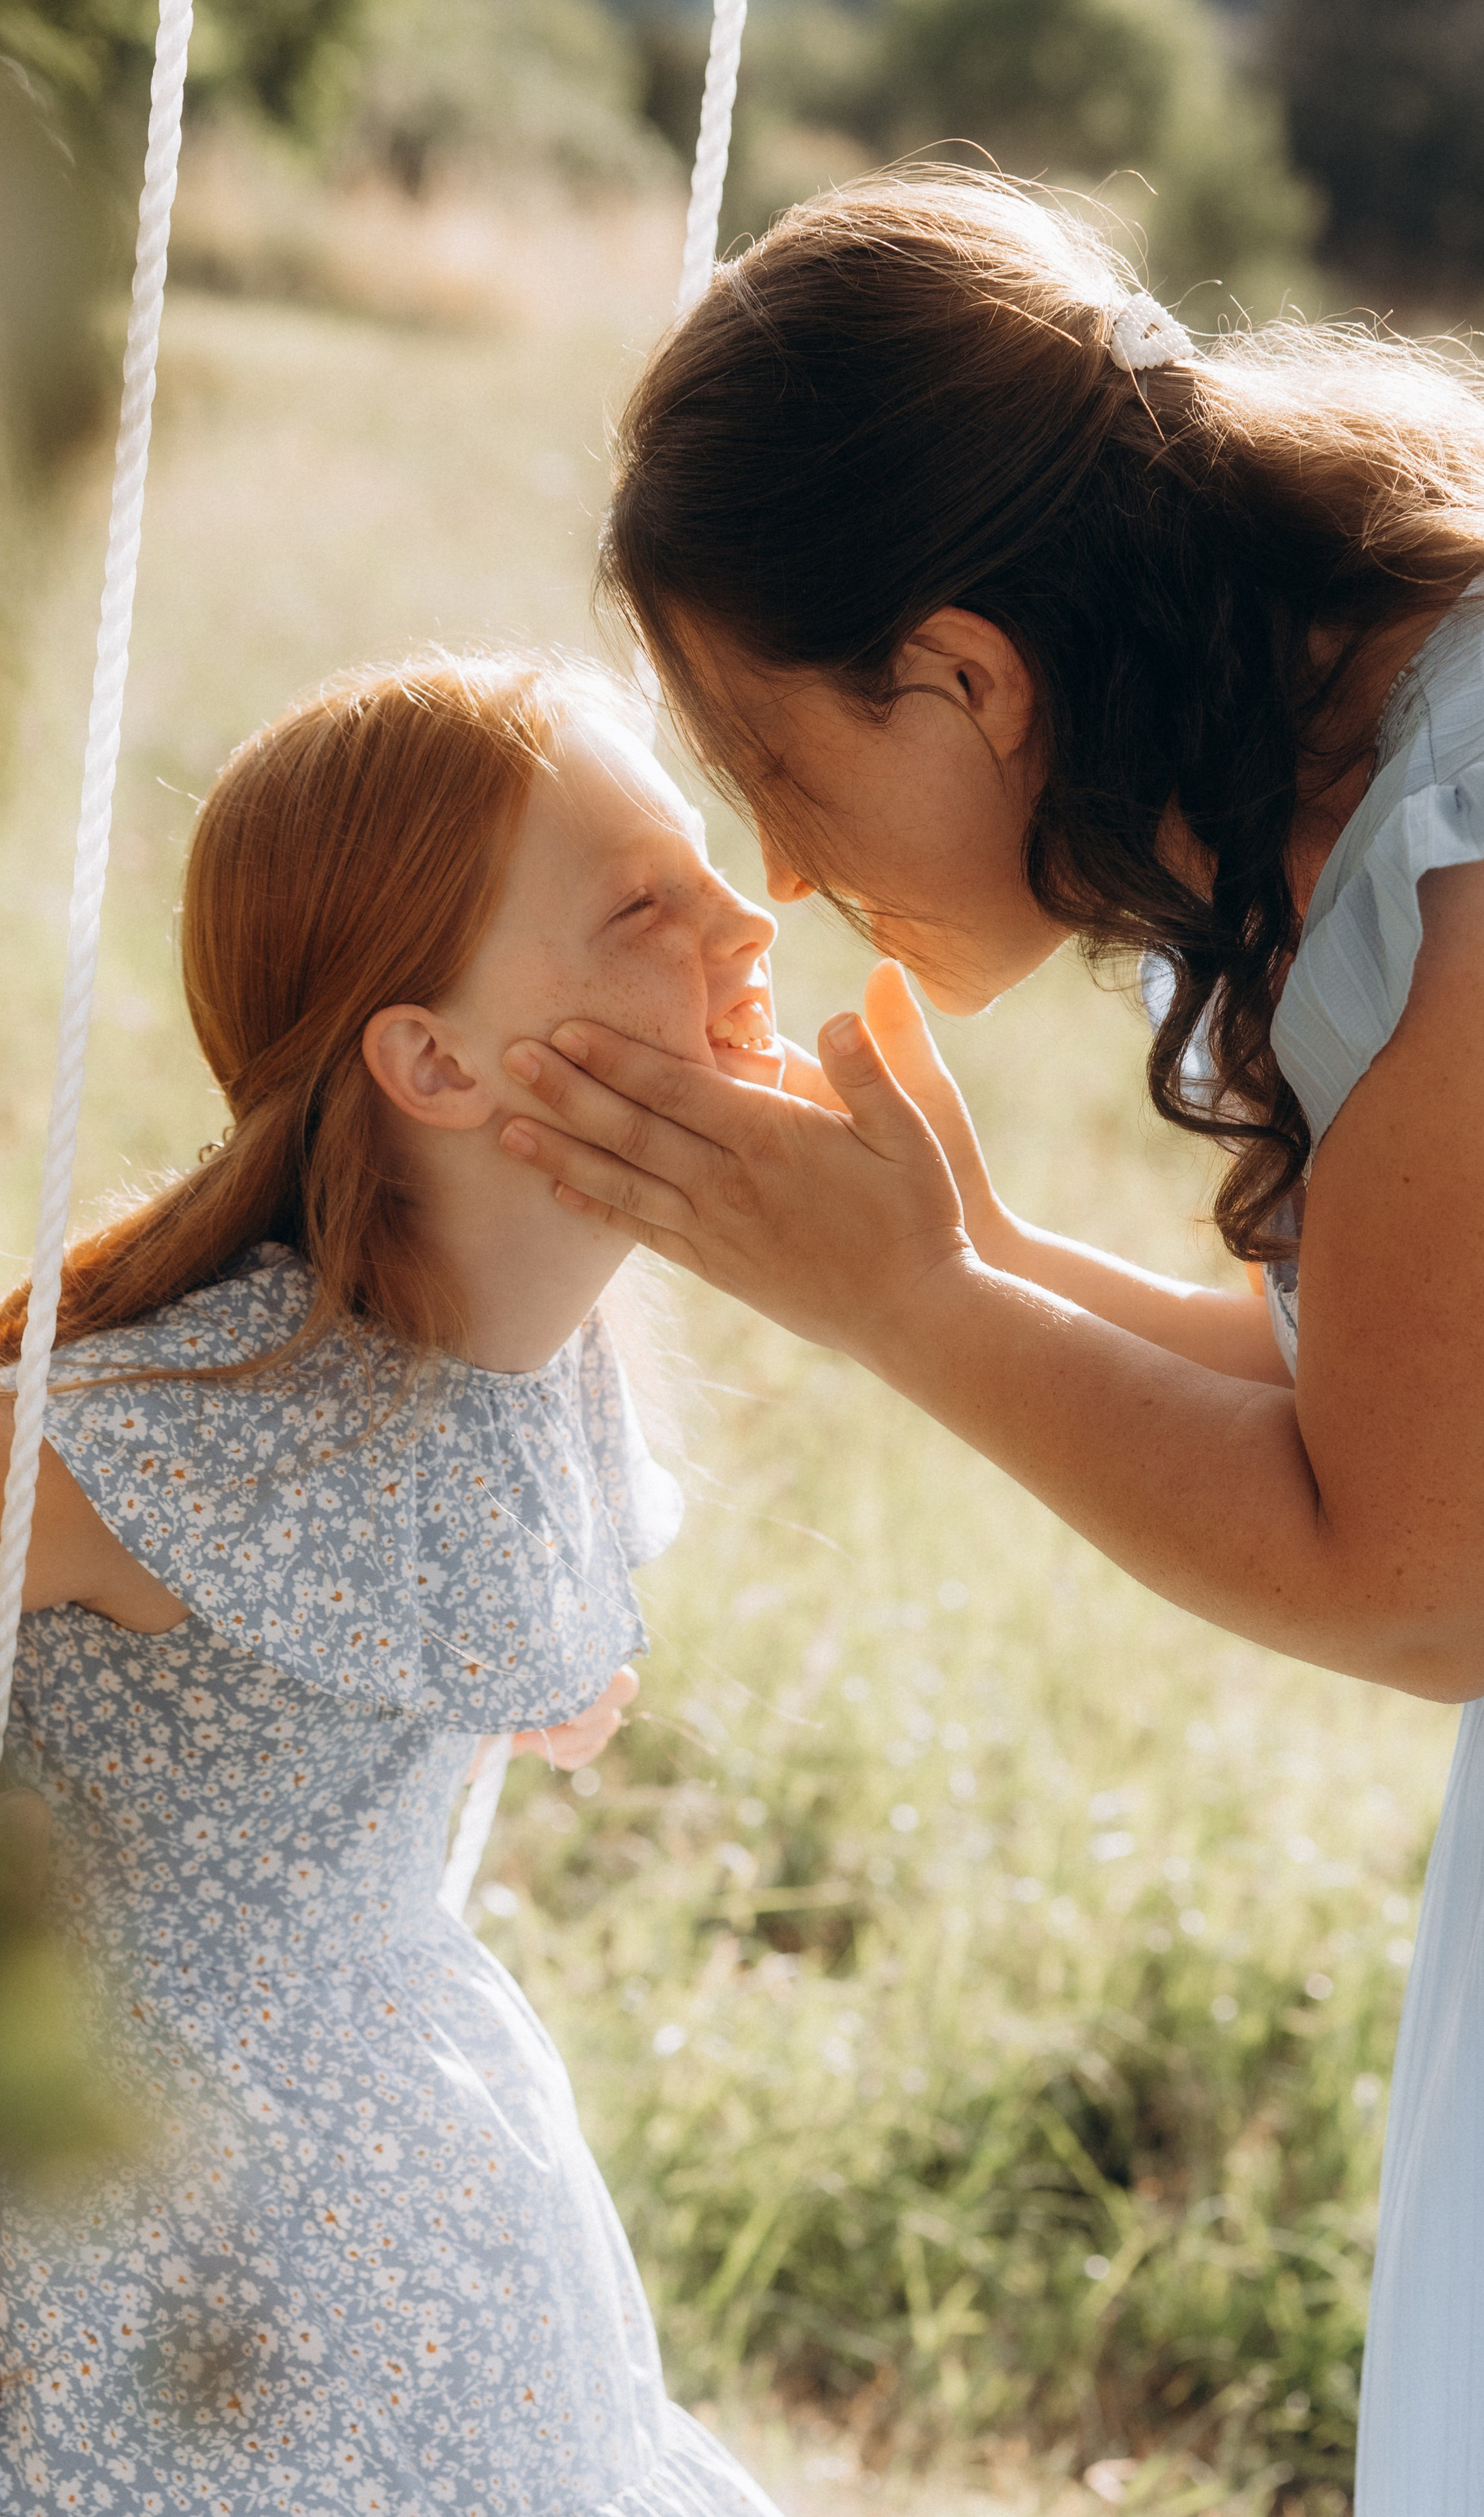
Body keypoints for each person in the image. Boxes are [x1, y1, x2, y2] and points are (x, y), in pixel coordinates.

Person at [491, 172, 1484, 2510]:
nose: (783, 870)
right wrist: (967, 1254)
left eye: (774, 771)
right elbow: (1389, 1402)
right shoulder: (1337, 751)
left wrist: (913, 1303)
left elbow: (1428, 1578)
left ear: (962, 674)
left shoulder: (1447, 841)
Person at [0, 653, 788, 2516]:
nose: (748, 922)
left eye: (711, 869)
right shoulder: (187, 1431)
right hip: (151, 2242)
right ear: (434, 1063)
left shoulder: (553, 1355)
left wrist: (494, 1682)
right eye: (646, 906)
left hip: (426, 2171)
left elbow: (392, 1599)